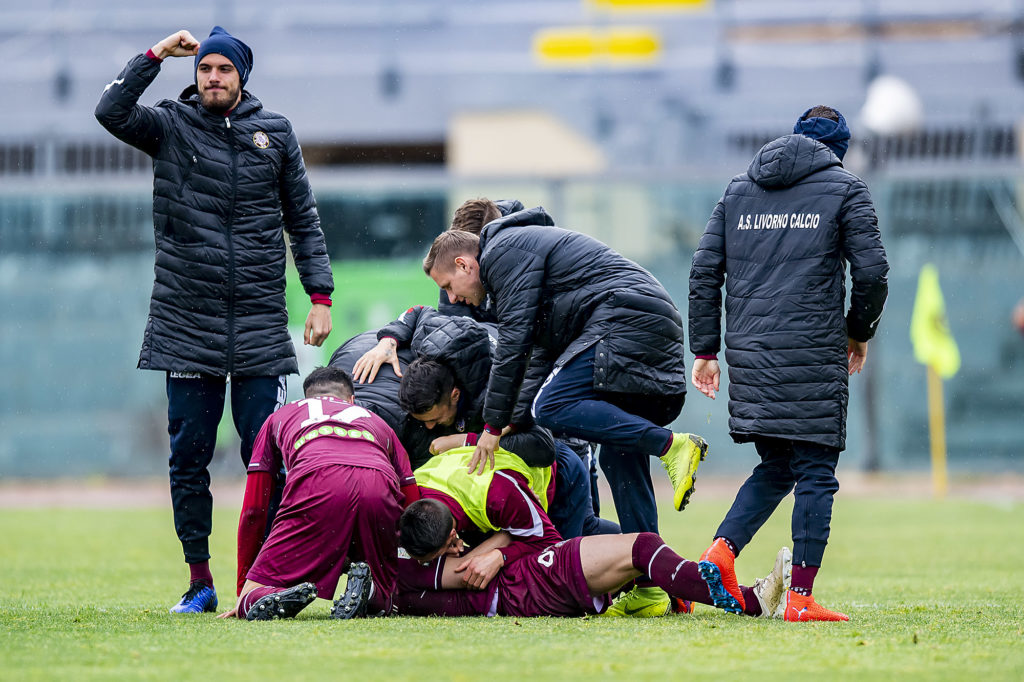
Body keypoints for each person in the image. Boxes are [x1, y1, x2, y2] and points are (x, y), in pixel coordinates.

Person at [95, 28, 335, 614]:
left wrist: (320, 295)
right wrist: (155, 55)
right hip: (185, 323)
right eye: (205, 69)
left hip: (259, 324)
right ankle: (200, 583)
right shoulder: (170, 124)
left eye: (224, 70)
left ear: (242, 77)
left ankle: (265, 580)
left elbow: (303, 218)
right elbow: (110, 111)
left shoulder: (275, 133)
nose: (213, 78)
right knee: (189, 459)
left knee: (270, 458)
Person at [422, 202, 708, 615]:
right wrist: (513, 421)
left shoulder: (503, 253)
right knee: (617, 454)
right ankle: (650, 587)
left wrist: (492, 426)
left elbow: (514, 345)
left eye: (449, 286)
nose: (452, 299)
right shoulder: (520, 273)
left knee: (552, 405)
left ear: (465, 264)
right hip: (638, 317)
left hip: (626, 317)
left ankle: (671, 446)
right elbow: (536, 357)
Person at [688, 105, 889, 622]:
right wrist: (858, 331)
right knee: (816, 469)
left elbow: (704, 270)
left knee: (778, 464)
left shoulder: (739, 191)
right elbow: (872, 273)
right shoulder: (845, 188)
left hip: (751, 356)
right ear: (838, 151)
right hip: (813, 355)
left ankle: (720, 553)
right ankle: (800, 598)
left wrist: (705, 351)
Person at [219, 367, 419, 621]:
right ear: (351, 400)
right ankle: (370, 594)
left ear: (306, 398)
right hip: (379, 485)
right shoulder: (377, 422)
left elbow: (254, 510)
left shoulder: (280, 416)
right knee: (388, 595)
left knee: (251, 599)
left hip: (317, 483)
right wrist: (416, 556)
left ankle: (273, 593)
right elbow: (412, 500)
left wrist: (244, 588)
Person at [392, 498, 792, 620]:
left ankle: (741, 599)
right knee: (642, 547)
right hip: (532, 581)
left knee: (639, 556)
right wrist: (500, 547)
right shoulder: (408, 572)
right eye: (450, 542)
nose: (458, 545)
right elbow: (468, 570)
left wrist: (499, 549)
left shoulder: (402, 574)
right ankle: (750, 601)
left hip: (528, 585)